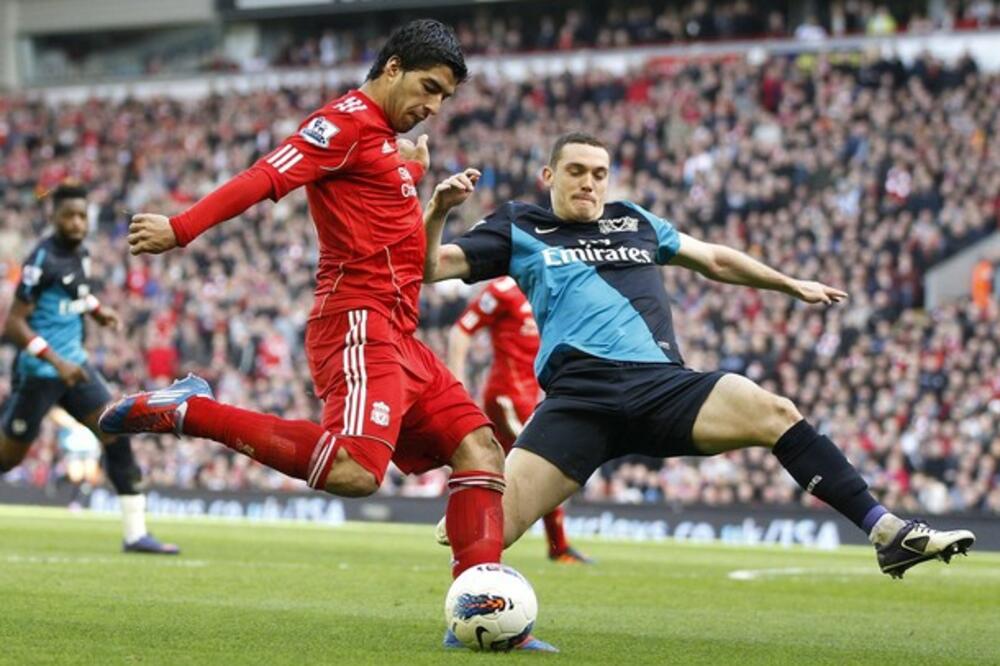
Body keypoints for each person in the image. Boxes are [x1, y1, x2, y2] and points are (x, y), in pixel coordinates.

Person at [98, 20, 555, 652]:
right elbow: (263, 176)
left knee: (479, 450)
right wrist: (181, 227)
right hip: (357, 321)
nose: (433, 108)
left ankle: (477, 612)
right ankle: (191, 411)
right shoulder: (339, 124)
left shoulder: (386, 142)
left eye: (445, 98)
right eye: (428, 88)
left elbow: (384, 222)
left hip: (401, 331)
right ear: (391, 68)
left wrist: (419, 184)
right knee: (354, 472)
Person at [422, 131, 975, 579]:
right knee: (482, 527)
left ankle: (887, 534)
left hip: (663, 388)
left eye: (598, 173)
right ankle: (477, 616)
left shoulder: (634, 220)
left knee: (774, 411)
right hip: (580, 399)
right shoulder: (521, 224)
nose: (589, 183)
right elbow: (432, 268)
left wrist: (789, 283)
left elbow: (713, 258)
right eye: (575, 171)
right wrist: (438, 211)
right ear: (549, 177)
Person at [0, 181, 179, 554]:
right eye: (70, 216)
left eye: (83, 216)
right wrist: (57, 361)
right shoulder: (40, 260)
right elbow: (14, 324)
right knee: (8, 458)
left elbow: (76, 294)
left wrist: (99, 312)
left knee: (117, 431)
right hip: (40, 373)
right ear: (54, 218)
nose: (78, 223)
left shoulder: (81, 253)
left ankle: (135, 534)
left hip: (77, 371)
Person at [443, 277, 591, 564]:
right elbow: (461, 330)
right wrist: (457, 385)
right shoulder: (502, 291)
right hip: (507, 397)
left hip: (534, 396)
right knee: (546, 461)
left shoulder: (550, 289)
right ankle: (557, 546)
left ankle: (471, 533)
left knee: (497, 467)